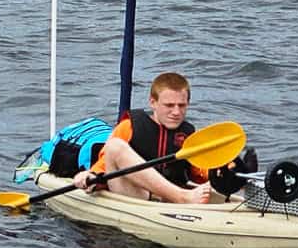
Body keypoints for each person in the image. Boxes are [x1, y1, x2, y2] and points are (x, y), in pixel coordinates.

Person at [72, 72, 213, 204]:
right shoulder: (129, 126)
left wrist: (222, 169)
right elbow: (104, 162)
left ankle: (178, 196)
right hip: (133, 194)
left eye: (181, 105)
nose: (176, 112)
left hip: (168, 199)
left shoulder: (189, 134)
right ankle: (182, 197)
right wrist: (92, 176)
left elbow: (200, 172)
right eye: (169, 105)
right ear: (153, 103)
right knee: (114, 145)